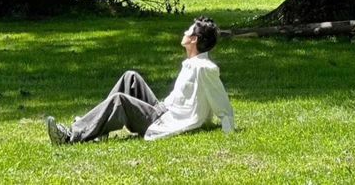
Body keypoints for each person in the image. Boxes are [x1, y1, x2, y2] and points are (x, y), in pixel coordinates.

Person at [46, 15, 234, 145]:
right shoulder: (192, 63)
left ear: (194, 39)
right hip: (162, 109)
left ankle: (71, 135)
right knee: (131, 77)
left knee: (119, 100)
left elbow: (221, 102)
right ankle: (97, 129)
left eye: (188, 31)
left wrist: (228, 128)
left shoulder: (205, 68)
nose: (184, 32)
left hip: (165, 120)